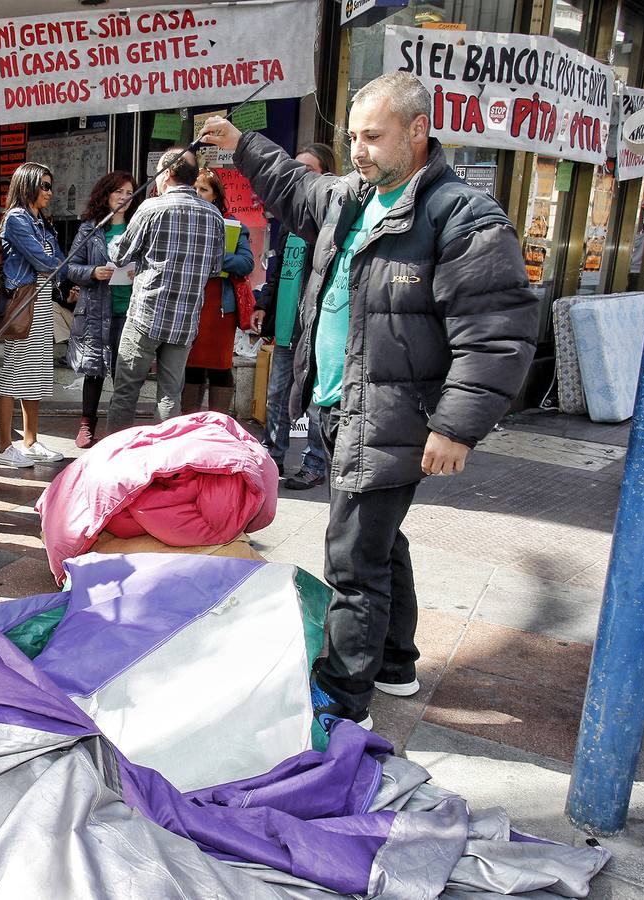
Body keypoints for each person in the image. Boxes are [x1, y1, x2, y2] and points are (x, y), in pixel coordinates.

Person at [197, 72, 537, 730]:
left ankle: (340, 702)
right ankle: (395, 661)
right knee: (378, 540)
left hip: (390, 418)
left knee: (351, 558)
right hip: (336, 408)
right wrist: (242, 143)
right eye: (351, 136)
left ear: (416, 131)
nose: (358, 149)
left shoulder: (462, 217)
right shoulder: (354, 195)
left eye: (373, 137)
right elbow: (297, 188)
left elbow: (498, 334)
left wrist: (455, 428)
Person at [106, 148, 226, 431]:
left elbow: (119, 256)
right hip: (184, 320)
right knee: (170, 395)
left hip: (146, 315)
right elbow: (213, 269)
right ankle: (165, 464)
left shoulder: (151, 208)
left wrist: (115, 232)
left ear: (168, 174)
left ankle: (116, 460)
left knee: (126, 392)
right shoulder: (214, 215)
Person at [251, 143, 336, 491]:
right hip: (286, 324)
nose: (299, 177)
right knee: (276, 394)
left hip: (315, 325)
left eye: (308, 170)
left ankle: (315, 462)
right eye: (295, 168)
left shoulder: (332, 217)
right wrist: (263, 306)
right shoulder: (289, 218)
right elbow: (275, 271)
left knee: (317, 398)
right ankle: (273, 455)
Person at [0, 162, 66, 467]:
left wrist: (55, 264)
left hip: (42, 297)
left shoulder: (41, 221)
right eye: (44, 185)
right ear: (28, 186)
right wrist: (54, 263)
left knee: (36, 373)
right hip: (23, 299)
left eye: (51, 185)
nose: (49, 192)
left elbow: (59, 259)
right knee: (13, 373)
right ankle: (4, 446)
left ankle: (31, 440)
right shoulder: (17, 219)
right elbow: (44, 261)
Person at [65, 171, 136, 448]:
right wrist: (94, 272)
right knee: (93, 370)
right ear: (106, 194)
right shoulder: (91, 228)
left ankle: (119, 430)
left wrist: (137, 273)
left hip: (128, 310)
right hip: (96, 309)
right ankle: (86, 426)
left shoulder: (136, 226)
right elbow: (70, 267)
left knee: (124, 373)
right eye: (118, 191)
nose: (124, 198)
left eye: (129, 193)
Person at [182, 168, 254, 417]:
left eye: (203, 189)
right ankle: (189, 425)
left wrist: (212, 258)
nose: (197, 193)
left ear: (215, 195)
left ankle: (218, 425)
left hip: (220, 309)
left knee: (219, 367)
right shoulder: (182, 219)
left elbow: (246, 263)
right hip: (189, 304)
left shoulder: (233, 224)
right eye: (193, 189)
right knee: (190, 366)